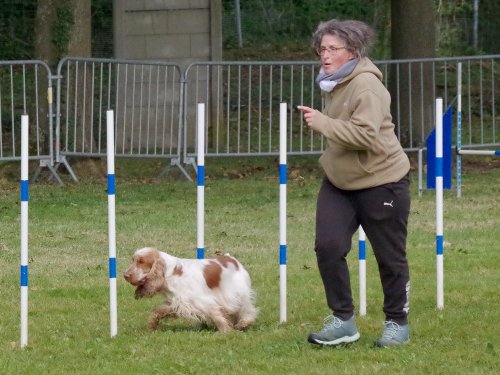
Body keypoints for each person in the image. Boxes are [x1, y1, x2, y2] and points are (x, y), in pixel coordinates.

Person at [297, 19, 411, 347]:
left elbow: (365, 135)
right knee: (328, 247)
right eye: (322, 49)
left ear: (353, 51)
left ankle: (396, 323)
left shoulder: (367, 86)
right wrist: (327, 124)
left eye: (334, 49)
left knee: (390, 256)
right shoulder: (332, 82)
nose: (325, 55)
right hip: (339, 181)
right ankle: (343, 321)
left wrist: (323, 123)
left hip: (383, 180)